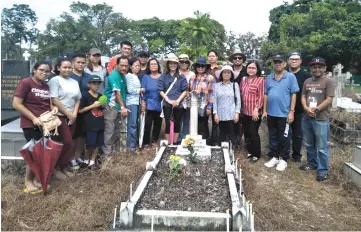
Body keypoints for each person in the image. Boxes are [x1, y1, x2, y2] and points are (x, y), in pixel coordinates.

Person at [13, 61, 57, 193]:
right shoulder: (26, 83)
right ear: (34, 69)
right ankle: (28, 180)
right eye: (41, 70)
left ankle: (38, 179)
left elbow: (48, 103)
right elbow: (16, 104)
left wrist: (53, 109)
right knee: (33, 153)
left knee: (43, 153)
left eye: (47, 71)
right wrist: (33, 118)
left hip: (46, 124)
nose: (44, 73)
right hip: (31, 124)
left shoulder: (45, 86)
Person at [263, 54, 299, 171]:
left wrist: (291, 111)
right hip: (271, 113)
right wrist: (264, 110)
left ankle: (283, 159)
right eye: (276, 62)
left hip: (284, 113)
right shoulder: (269, 77)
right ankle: (275, 156)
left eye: (280, 62)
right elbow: (266, 95)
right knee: (273, 136)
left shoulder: (290, 77)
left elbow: (293, 94)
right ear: (273, 64)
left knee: (284, 137)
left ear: (285, 64)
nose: (278, 64)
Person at [300, 57, 334, 181]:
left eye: (320, 67)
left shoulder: (328, 81)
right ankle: (312, 164)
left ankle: (323, 170)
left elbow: (329, 99)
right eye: (314, 67)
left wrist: (316, 109)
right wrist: (305, 107)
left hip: (321, 119)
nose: (317, 69)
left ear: (324, 68)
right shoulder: (307, 81)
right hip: (307, 117)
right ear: (311, 68)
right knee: (309, 144)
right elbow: (303, 95)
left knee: (322, 146)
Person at [48, 58, 82, 179]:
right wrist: (68, 113)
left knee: (69, 144)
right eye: (64, 67)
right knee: (64, 142)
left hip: (72, 117)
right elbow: (54, 99)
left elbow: (78, 99)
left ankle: (64, 167)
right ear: (58, 68)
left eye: (69, 67)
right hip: (59, 117)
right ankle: (56, 168)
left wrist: (74, 114)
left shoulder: (74, 82)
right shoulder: (55, 80)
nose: (67, 69)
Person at [287, 52, 312, 162]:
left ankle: (296, 156)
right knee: (284, 133)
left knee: (297, 134)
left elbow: (310, 93)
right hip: (284, 109)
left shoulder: (306, 76)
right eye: (292, 59)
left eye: (296, 59)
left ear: (301, 61)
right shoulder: (283, 74)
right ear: (288, 61)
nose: (294, 61)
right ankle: (284, 154)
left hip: (300, 110)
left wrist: (309, 107)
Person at [69, 53, 92, 170]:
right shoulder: (69, 76)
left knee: (82, 135)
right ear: (73, 63)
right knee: (74, 136)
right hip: (72, 110)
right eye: (78, 62)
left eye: (83, 62)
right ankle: (71, 158)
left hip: (86, 108)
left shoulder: (88, 76)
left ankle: (78, 156)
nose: (81, 64)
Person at [158, 55, 188, 144]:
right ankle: (168, 143)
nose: (173, 65)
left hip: (178, 104)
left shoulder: (181, 76)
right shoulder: (163, 76)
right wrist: (168, 100)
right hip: (167, 103)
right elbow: (160, 90)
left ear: (177, 65)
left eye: (174, 63)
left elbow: (185, 90)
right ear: (168, 64)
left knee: (177, 123)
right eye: (171, 63)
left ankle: (174, 142)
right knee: (167, 123)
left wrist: (178, 100)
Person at [102, 56, 129, 156]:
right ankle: (106, 156)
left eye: (126, 66)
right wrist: (123, 107)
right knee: (109, 131)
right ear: (116, 65)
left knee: (116, 131)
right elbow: (117, 93)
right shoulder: (113, 75)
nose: (124, 68)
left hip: (118, 107)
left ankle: (112, 152)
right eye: (121, 65)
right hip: (111, 107)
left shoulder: (122, 75)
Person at [78, 75, 105, 169]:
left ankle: (92, 162)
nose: (96, 85)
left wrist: (103, 104)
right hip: (90, 124)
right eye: (94, 83)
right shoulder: (84, 96)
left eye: (98, 83)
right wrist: (92, 106)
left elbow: (102, 109)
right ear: (89, 84)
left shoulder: (101, 96)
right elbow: (80, 110)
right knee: (90, 144)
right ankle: (86, 161)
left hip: (100, 123)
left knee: (98, 144)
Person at [240, 61, 265, 163]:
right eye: (249, 67)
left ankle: (256, 154)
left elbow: (261, 96)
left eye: (253, 68)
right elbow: (241, 94)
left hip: (254, 112)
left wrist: (257, 109)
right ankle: (250, 151)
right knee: (246, 133)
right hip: (244, 111)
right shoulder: (243, 80)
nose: (251, 69)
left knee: (253, 132)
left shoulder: (260, 80)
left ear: (257, 69)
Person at [189, 57, 216, 142]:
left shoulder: (210, 78)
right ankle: (195, 142)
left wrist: (209, 107)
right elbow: (189, 91)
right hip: (193, 105)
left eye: (202, 66)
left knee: (203, 124)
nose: (200, 68)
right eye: (198, 66)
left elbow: (213, 94)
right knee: (194, 124)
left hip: (204, 105)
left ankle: (205, 142)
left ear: (206, 67)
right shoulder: (192, 78)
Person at [213, 65, 241, 145]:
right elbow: (214, 100)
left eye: (229, 73)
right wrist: (215, 114)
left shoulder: (234, 85)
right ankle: (222, 151)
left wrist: (237, 113)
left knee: (232, 134)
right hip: (220, 114)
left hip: (231, 114)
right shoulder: (216, 86)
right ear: (221, 74)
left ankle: (231, 152)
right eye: (224, 72)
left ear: (231, 75)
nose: (226, 74)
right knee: (222, 134)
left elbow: (238, 99)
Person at [141, 58, 162, 149]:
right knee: (147, 124)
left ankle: (154, 142)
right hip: (149, 104)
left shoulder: (162, 77)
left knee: (158, 124)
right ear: (149, 66)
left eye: (155, 64)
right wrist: (143, 103)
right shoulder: (146, 77)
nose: (154, 66)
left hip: (160, 104)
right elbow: (143, 91)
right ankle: (146, 143)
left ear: (158, 66)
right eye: (152, 64)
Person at [230, 50, 247, 149]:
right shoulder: (229, 70)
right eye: (235, 58)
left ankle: (239, 139)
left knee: (241, 120)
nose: (237, 59)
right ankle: (232, 139)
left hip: (243, 98)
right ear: (232, 60)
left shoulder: (246, 70)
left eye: (239, 58)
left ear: (242, 59)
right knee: (232, 119)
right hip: (230, 98)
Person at [126, 57, 143, 152]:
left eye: (139, 66)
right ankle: (131, 147)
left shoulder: (136, 76)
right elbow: (130, 90)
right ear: (130, 66)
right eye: (136, 66)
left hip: (137, 102)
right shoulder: (128, 76)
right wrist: (140, 90)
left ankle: (134, 144)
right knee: (132, 125)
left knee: (136, 124)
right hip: (131, 102)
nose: (138, 67)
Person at [177, 54, 195, 143]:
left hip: (189, 99)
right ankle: (178, 138)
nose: (184, 64)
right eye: (182, 62)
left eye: (186, 62)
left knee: (187, 119)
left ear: (188, 64)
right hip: (177, 99)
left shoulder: (192, 74)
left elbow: (194, 87)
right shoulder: (176, 73)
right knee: (178, 119)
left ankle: (184, 138)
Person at [207, 50, 222, 146]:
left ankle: (215, 141)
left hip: (217, 98)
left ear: (217, 57)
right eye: (210, 56)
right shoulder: (204, 68)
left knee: (216, 120)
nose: (211, 57)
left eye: (213, 56)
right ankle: (205, 139)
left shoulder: (220, 69)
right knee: (203, 119)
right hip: (206, 98)